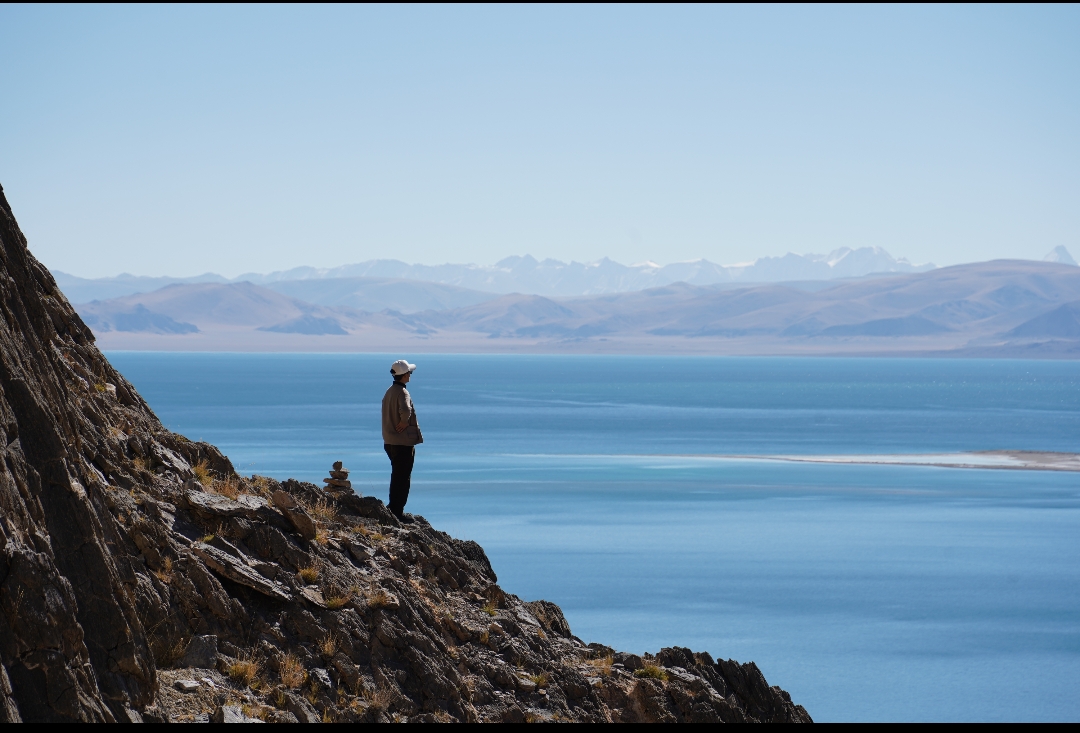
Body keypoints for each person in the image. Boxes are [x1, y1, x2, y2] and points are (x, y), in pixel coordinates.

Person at [382, 359, 423, 522]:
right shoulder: (403, 392)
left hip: (389, 441)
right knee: (403, 478)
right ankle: (397, 511)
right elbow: (406, 410)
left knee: (397, 475)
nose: (410, 375)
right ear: (404, 375)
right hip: (402, 442)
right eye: (409, 373)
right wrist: (404, 422)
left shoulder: (389, 391)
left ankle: (393, 508)